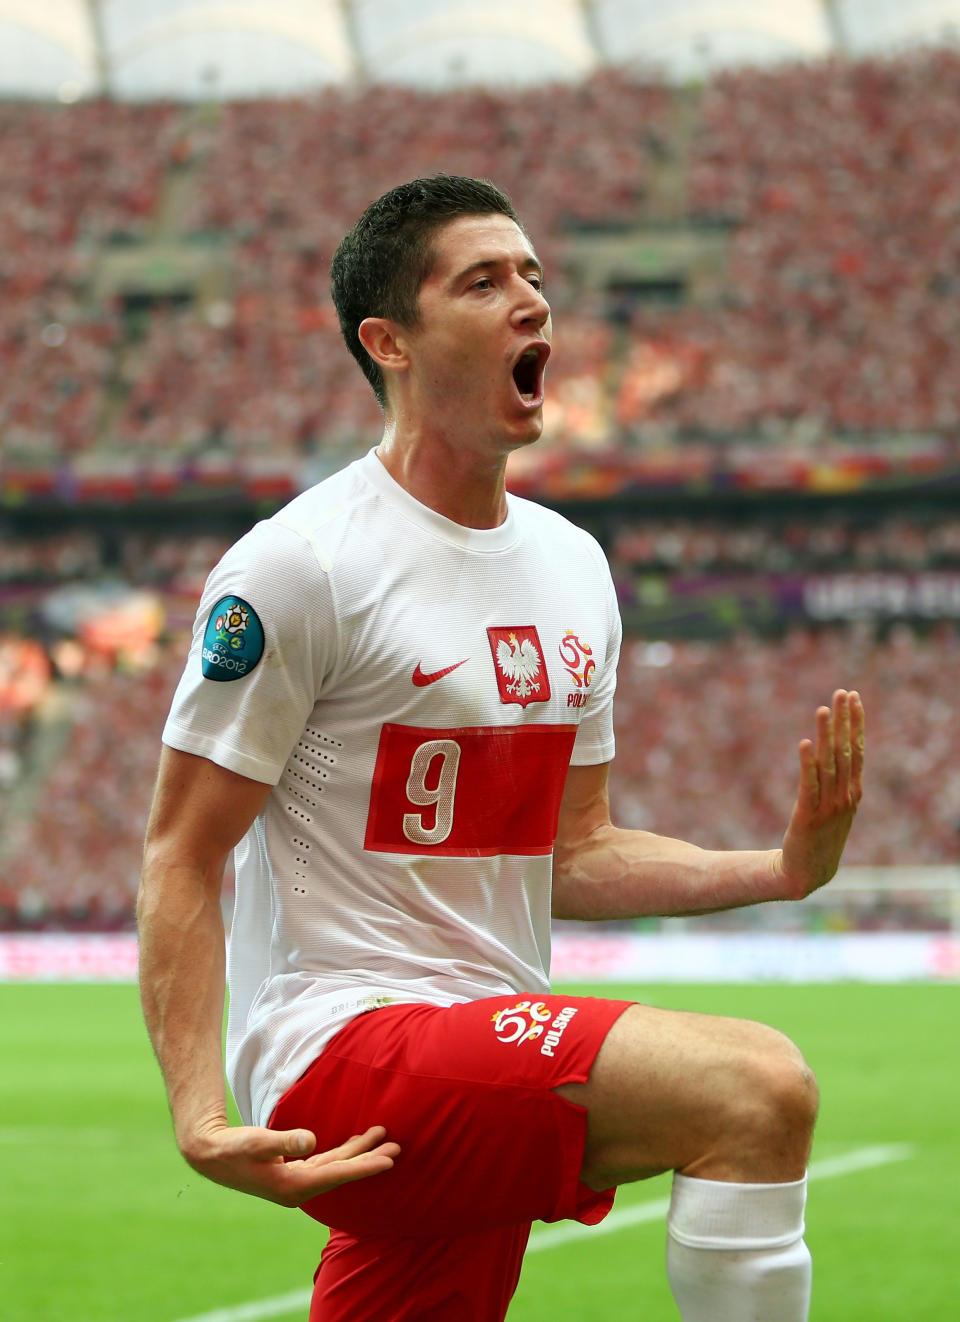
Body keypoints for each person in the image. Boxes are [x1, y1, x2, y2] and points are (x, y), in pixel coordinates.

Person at [137, 175, 865, 1322]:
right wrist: (197, 1110)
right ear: (392, 343)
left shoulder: (574, 567)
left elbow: (571, 851)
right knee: (756, 1084)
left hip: (485, 1034)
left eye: (534, 275)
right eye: (483, 281)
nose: (532, 301)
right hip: (347, 1041)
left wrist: (778, 873)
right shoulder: (302, 566)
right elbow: (183, 850)